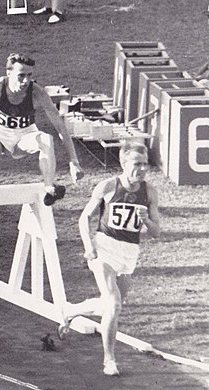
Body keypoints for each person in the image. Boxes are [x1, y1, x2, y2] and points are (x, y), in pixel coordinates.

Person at [56, 142, 161, 376]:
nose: (142, 169)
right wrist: (88, 247)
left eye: (145, 164)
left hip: (129, 252)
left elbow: (156, 233)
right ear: (124, 164)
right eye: (137, 164)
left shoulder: (150, 192)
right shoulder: (108, 186)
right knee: (113, 303)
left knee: (111, 306)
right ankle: (109, 360)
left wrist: (146, 220)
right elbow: (84, 219)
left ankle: (71, 311)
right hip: (104, 248)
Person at [0, 53, 83, 206]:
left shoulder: (38, 93)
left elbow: (61, 127)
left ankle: (50, 187)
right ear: (8, 73)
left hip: (25, 135)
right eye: (21, 76)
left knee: (46, 139)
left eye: (29, 75)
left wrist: (74, 161)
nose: (26, 81)